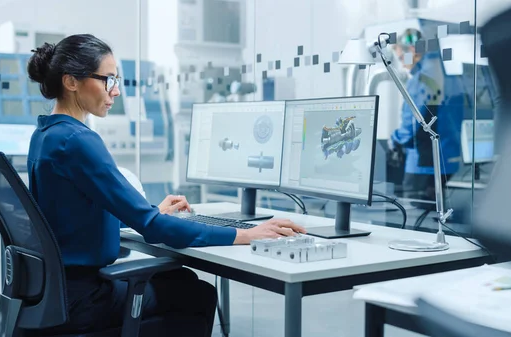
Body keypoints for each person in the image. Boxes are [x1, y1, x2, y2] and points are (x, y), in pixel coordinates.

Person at [26, 34, 306, 336]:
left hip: (54, 293)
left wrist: (151, 212)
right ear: (71, 82)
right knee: (196, 294)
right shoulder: (78, 140)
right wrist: (245, 233)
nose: (116, 91)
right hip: (83, 299)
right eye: (108, 80)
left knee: (180, 282)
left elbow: (73, 214)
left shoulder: (45, 134)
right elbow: (155, 229)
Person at [389, 29, 463, 202]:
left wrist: (395, 139)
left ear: (413, 51)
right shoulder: (448, 74)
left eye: (402, 58)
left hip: (424, 163)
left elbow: (414, 122)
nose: (403, 64)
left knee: (416, 218)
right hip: (449, 158)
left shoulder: (423, 78)